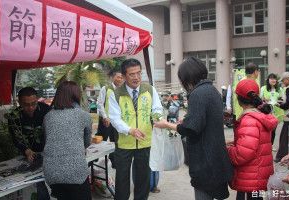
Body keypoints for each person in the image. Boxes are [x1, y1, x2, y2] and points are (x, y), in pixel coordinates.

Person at [154, 57, 233, 200]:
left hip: (205, 161)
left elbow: (190, 129)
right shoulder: (212, 90)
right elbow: (206, 119)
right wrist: (187, 119)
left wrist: (166, 124)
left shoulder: (198, 94)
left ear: (186, 77)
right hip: (216, 157)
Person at [108, 58, 163, 200]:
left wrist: (157, 118)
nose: (137, 77)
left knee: (143, 178)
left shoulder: (150, 90)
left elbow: (157, 108)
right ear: (125, 76)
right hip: (124, 143)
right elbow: (115, 118)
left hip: (145, 141)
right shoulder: (116, 94)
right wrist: (130, 130)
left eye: (139, 73)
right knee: (122, 179)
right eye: (132, 74)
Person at [227, 79, 278, 200]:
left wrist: (228, 150)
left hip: (249, 179)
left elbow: (243, 154)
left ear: (239, 101)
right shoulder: (261, 116)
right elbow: (257, 143)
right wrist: (235, 141)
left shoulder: (249, 120)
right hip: (257, 176)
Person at [43, 81, 92, 200]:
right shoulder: (83, 115)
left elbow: (47, 140)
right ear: (76, 95)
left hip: (52, 173)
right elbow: (87, 141)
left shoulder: (48, 116)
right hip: (76, 173)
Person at [8, 87, 51, 200]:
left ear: (37, 100)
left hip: (47, 150)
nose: (31, 107)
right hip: (29, 153)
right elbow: (16, 138)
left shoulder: (46, 109)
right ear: (19, 103)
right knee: (37, 184)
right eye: (26, 105)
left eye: (34, 103)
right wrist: (27, 151)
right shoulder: (14, 117)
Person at [96, 71, 123, 167]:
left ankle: (114, 162)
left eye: (121, 78)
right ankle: (95, 159)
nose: (119, 79)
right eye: (118, 77)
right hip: (106, 120)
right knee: (101, 138)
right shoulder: (106, 88)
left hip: (116, 121)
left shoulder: (122, 90)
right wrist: (105, 117)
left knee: (115, 141)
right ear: (112, 77)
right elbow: (100, 103)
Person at [275, 72, 289, 162]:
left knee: (286, 137)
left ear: (287, 79)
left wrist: (280, 105)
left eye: (284, 80)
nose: (283, 83)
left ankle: (282, 157)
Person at [260, 73, 284, 147]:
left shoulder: (279, 89)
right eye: (271, 79)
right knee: (266, 129)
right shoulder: (263, 88)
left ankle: (271, 145)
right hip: (266, 112)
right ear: (268, 80)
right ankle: (265, 144)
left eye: (274, 79)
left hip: (276, 112)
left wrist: (279, 102)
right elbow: (260, 100)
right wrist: (264, 99)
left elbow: (282, 99)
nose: (273, 80)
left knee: (273, 130)